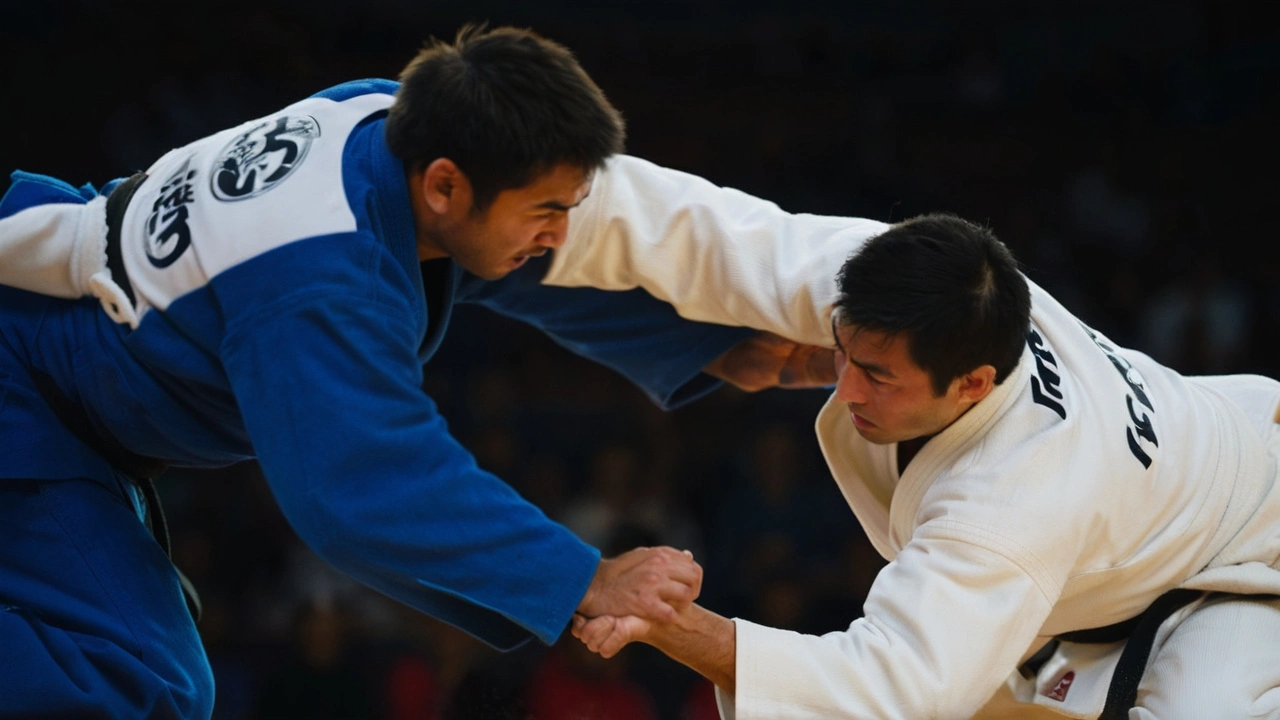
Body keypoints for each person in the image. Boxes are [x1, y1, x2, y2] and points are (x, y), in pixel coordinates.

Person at [0, 25, 833, 719]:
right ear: (444, 185)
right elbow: (365, 485)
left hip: (59, 375)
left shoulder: (384, 122)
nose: (558, 232)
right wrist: (586, 579)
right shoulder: (320, 276)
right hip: (27, 395)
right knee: (133, 682)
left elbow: (503, 260)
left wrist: (712, 343)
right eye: (546, 209)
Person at [539, 160, 1280, 718]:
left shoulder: (1016, 496)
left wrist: (680, 628)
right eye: (845, 354)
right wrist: (534, 178)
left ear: (972, 384)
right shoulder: (900, 280)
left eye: (878, 377)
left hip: (1247, 548)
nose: (845, 388)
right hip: (1186, 468)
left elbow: (889, 688)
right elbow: (708, 231)